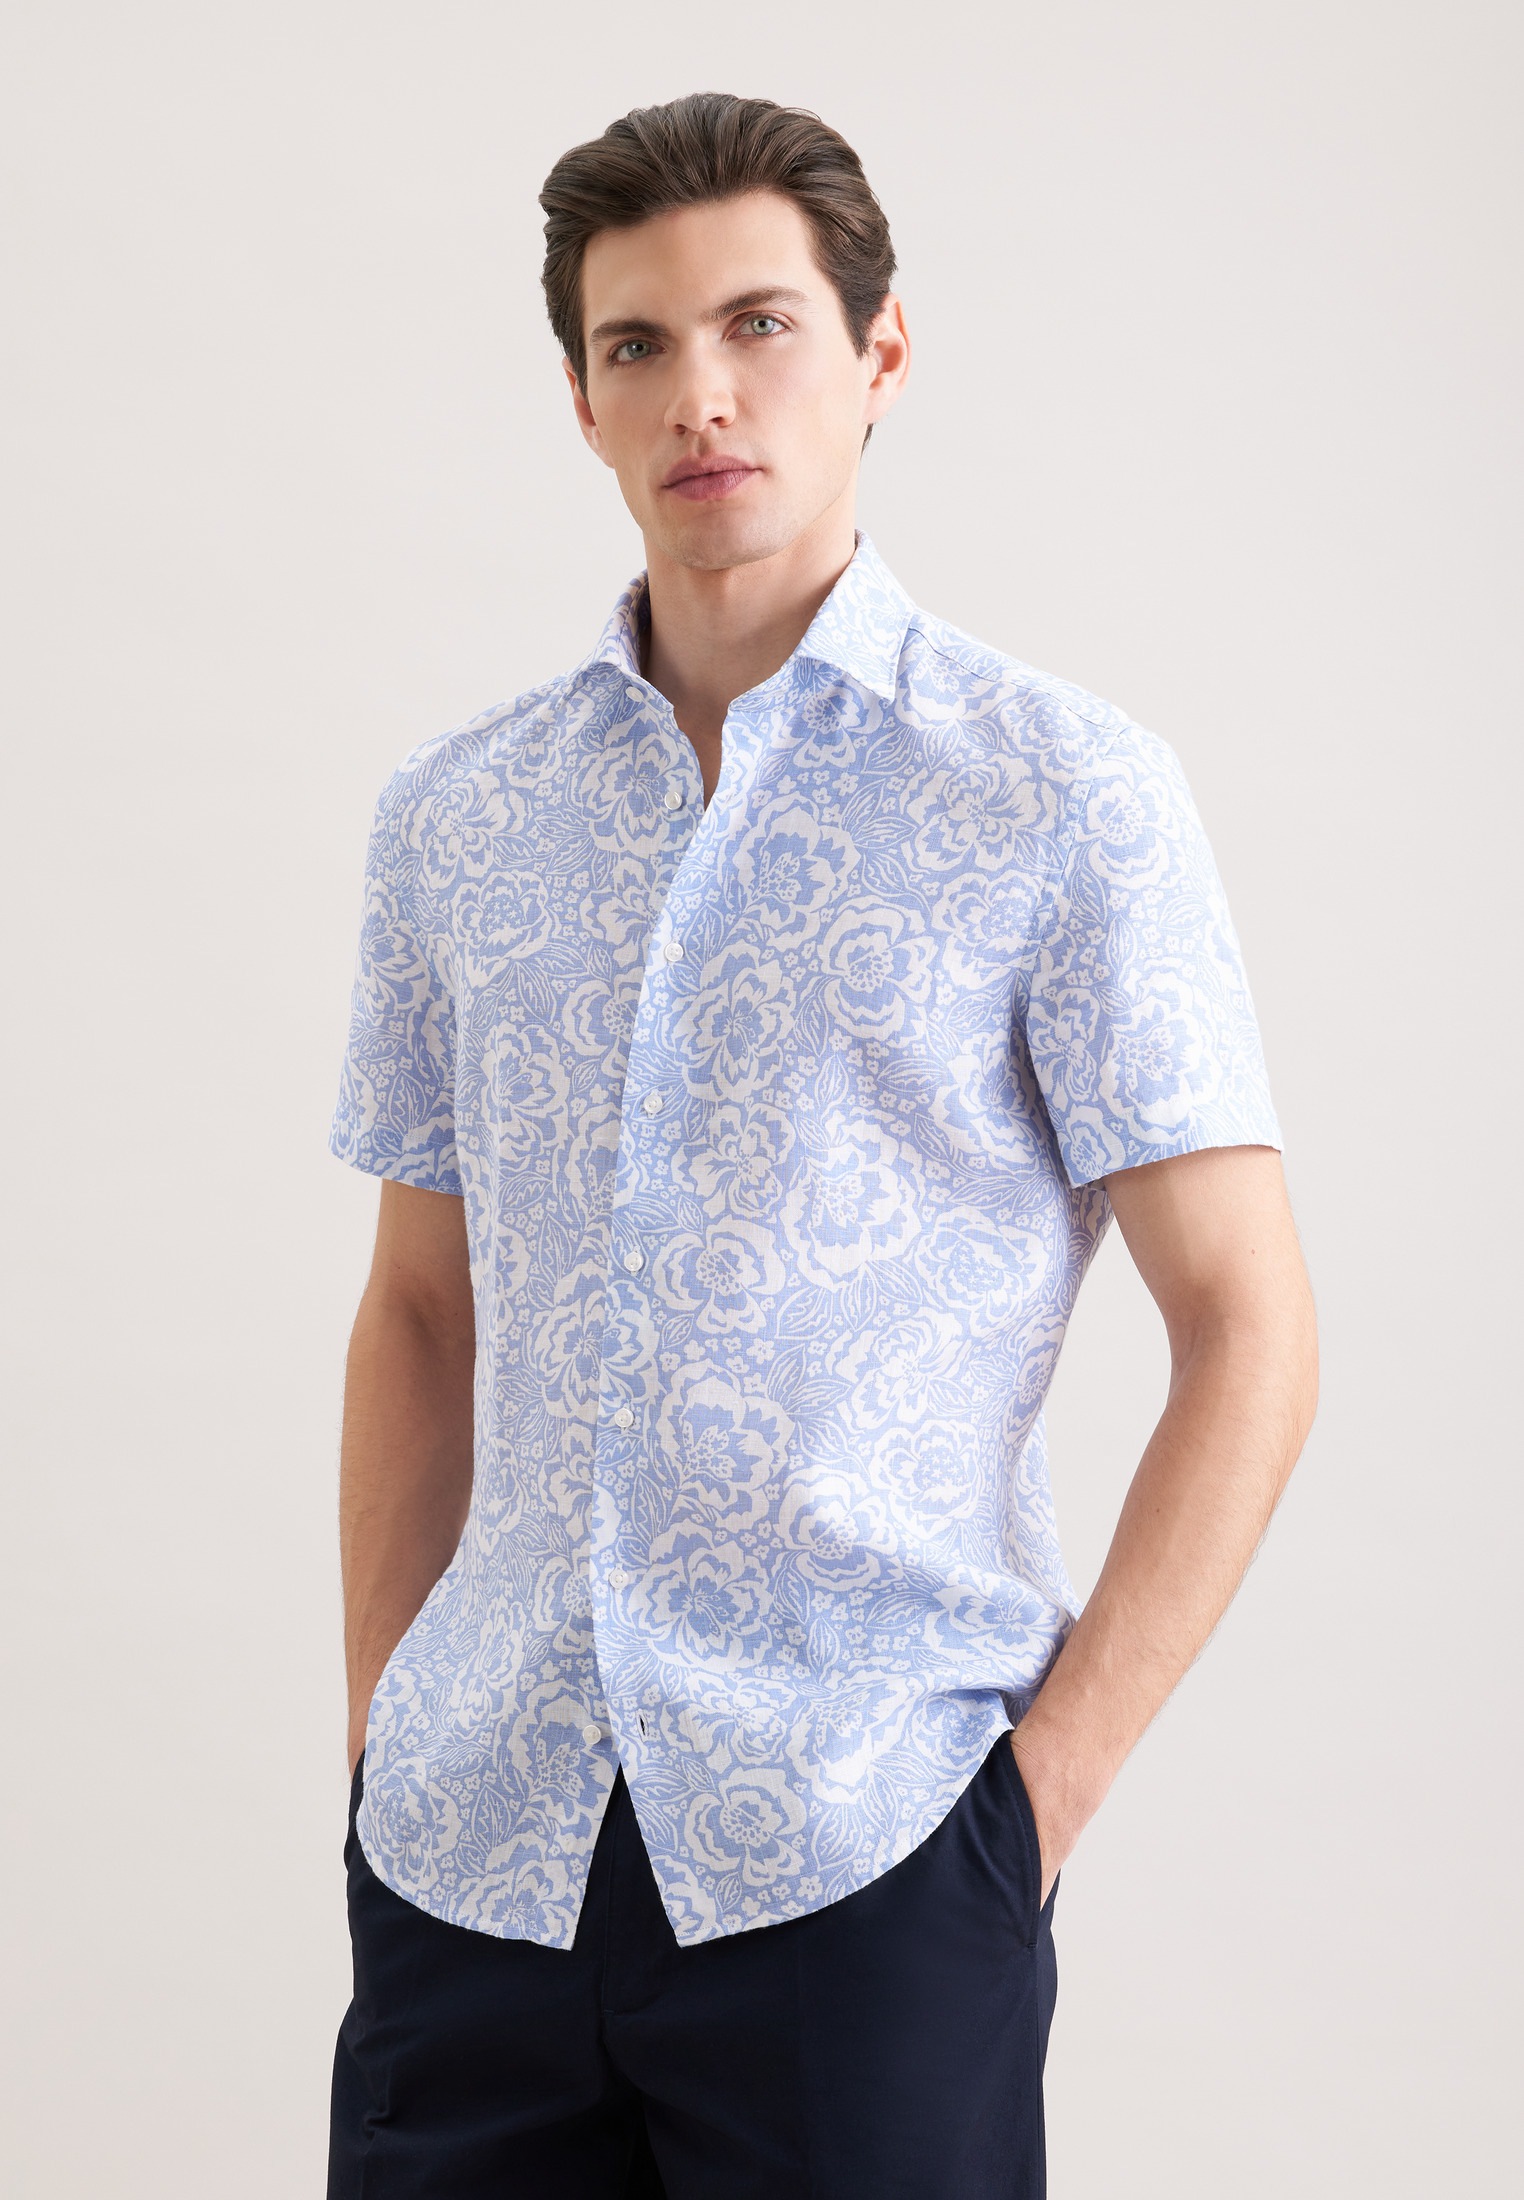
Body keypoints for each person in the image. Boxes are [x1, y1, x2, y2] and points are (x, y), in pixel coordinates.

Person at [323, 90, 1318, 2200]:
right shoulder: (458, 820)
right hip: (475, 1857)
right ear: (582, 401)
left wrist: (1032, 1806)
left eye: (759, 324)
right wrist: (380, 1725)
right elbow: (419, 1309)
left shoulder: (1060, 792)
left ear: (881, 353)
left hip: (868, 1854)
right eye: (638, 343)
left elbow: (1251, 1326)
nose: (702, 393)